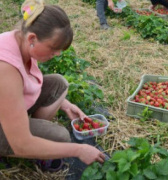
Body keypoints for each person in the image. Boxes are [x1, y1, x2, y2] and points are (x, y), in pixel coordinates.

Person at [0, 0, 105, 171]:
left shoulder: (22, 40)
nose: (56, 54)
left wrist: (67, 106)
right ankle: (26, 147)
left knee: (59, 84)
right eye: (53, 48)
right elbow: (20, 143)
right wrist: (78, 149)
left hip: (6, 107)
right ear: (33, 38)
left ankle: (32, 136)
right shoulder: (5, 68)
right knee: (59, 136)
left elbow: (28, 84)